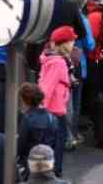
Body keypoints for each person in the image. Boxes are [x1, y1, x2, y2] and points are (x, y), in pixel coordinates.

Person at [40, 26, 75, 176]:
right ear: (64, 43)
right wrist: (42, 110)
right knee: (56, 145)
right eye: (72, 40)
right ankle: (54, 174)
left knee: (51, 144)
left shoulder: (52, 58)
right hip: (54, 110)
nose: (74, 43)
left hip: (52, 109)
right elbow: (47, 87)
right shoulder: (59, 62)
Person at [17, 83, 59, 173]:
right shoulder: (52, 117)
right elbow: (55, 142)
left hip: (30, 163)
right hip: (47, 162)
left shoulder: (27, 118)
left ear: (25, 100)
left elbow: (21, 144)